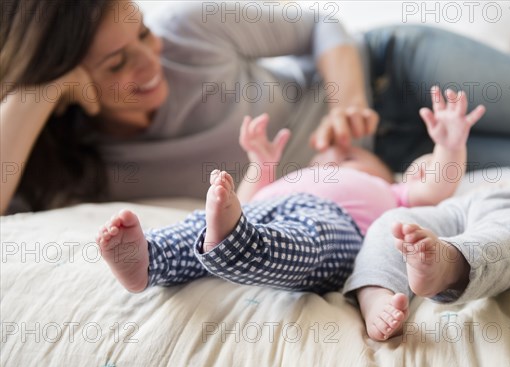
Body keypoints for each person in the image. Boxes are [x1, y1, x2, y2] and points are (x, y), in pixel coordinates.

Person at [2, 1, 510, 215]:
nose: (149, 61)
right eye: (115, 65)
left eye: (142, 36)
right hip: (401, 166)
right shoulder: (90, 167)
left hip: (397, 76)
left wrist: (349, 102)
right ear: (67, 87)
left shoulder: (186, 28)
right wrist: (36, 93)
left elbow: (320, 22)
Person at [95, 89, 486, 293]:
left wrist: (450, 145)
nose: (332, 163)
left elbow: (437, 185)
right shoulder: (287, 180)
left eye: (349, 160)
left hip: (337, 226)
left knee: (306, 243)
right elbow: (247, 201)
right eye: (323, 162)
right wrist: (262, 166)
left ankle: (236, 242)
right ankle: (150, 259)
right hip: (260, 211)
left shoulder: (392, 191)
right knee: (200, 224)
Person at [345, 138, 510, 341]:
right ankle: (378, 293)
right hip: (467, 208)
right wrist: (425, 167)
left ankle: (448, 266)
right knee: (398, 221)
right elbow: (440, 185)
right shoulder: (501, 182)